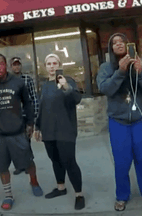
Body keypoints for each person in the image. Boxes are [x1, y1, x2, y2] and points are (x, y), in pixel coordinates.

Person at [97, 33, 142, 211]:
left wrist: (140, 73)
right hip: (118, 122)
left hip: (140, 119)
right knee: (121, 162)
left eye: (121, 41)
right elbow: (106, 89)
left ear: (128, 44)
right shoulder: (106, 68)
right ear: (111, 49)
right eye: (114, 43)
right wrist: (120, 72)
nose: (119, 45)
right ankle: (122, 195)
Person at [0, 53, 43, 210]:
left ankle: (34, 182)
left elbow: (28, 103)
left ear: (5, 66)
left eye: (1, 64)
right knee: (2, 168)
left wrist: (30, 123)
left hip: (18, 132)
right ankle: (8, 195)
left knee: (28, 162)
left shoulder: (17, 83)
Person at [34, 54, 84, 210]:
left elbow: (76, 99)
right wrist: (37, 126)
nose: (52, 66)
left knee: (69, 161)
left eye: (55, 63)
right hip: (49, 130)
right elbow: (41, 107)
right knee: (55, 160)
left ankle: (79, 194)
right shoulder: (44, 85)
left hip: (65, 130)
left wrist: (66, 87)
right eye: (48, 63)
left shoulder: (67, 81)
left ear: (60, 65)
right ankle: (61, 188)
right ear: (45, 66)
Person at [10, 57, 39, 175]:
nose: (16, 67)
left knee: (26, 141)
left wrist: (35, 114)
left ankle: (28, 164)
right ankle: (19, 166)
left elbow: (34, 97)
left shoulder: (27, 79)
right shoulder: (8, 80)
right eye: (14, 65)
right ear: (10, 67)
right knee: (15, 142)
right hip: (13, 117)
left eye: (18, 65)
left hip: (26, 115)